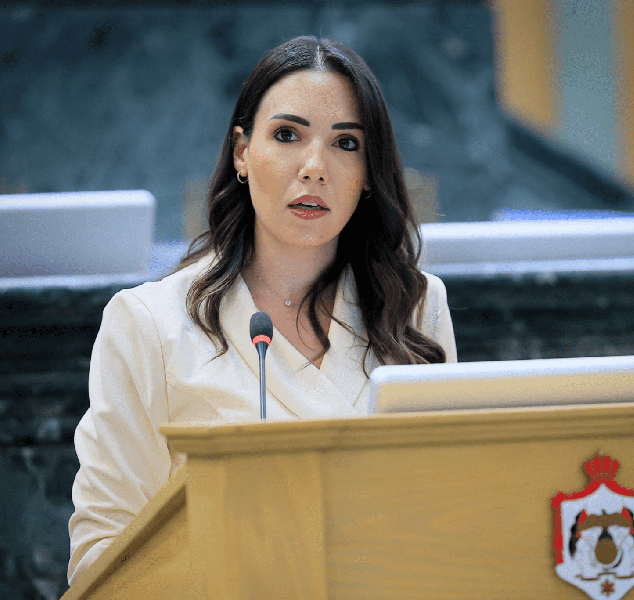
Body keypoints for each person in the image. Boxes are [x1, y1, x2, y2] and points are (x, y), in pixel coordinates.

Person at [67, 35, 457, 585]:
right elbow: (100, 561)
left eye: (346, 143)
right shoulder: (147, 323)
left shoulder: (415, 307)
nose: (314, 167)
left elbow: (450, 513)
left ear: (369, 171)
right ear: (242, 153)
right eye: (287, 135)